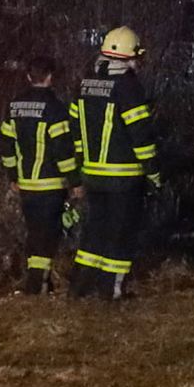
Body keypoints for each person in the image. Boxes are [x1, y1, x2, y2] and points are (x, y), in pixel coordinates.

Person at [67, 24, 162, 302]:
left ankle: (79, 286)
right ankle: (112, 290)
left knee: (95, 231)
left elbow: (75, 127)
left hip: (92, 175)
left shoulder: (84, 83)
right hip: (124, 177)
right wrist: (153, 172)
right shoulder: (129, 87)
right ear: (130, 56)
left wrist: (81, 163)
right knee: (121, 233)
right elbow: (140, 135)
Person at [0, 51, 79, 296]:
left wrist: (12, 175)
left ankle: (37, 282)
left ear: (27, 76)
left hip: (26, 184)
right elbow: (63, 151)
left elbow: (6, 143)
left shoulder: (14, 106)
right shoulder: (55, 109)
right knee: (47, 236)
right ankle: (38, 285)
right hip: (50, 184)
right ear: (50, 77)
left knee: (34, 233)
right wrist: (74, 182)